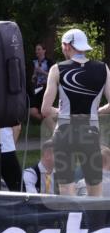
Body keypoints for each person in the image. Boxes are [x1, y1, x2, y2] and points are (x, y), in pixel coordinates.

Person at [41, 28, 110, 197]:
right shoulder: (103, 69)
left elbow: (44, 110)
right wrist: (97, 111)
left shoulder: (57, 69)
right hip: (90, 132)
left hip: (64, 132)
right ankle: (95, 224)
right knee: (95, 190)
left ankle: (70, 222)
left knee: (66, 190)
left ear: (67, 46)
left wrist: (60, 111)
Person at [28, 44, 55, 134]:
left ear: (44, 51)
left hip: (46, 88)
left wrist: (42, 72)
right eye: (36, 50)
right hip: (36, 89)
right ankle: (51, 125)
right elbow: (31, 78)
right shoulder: (33, 62)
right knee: (32, 111)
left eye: (39, 49)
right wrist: (34, 76)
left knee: (45, 111)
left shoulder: (49, 62)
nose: (37, 52)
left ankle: (54, 131)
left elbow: (54, 76)